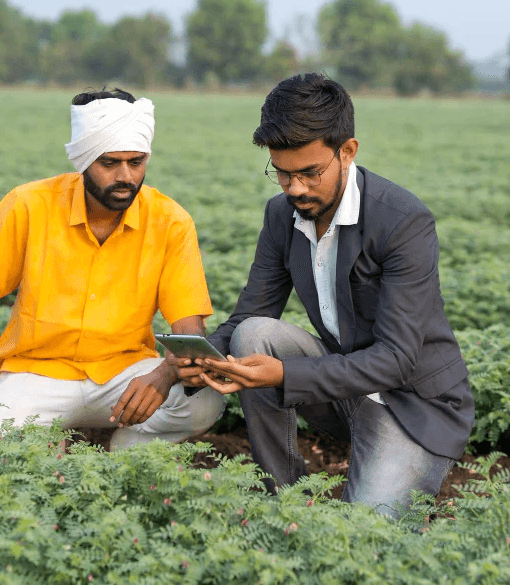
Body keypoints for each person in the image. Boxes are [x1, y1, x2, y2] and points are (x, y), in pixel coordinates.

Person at [176, 73, 473, 518]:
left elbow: (395, 359)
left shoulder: (402, 221)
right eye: (282, 173)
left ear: (347, 152)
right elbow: (248, 317)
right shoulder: (282, 215)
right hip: (343, 389)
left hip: (412, 402)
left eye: (309, 173)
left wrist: (282, 375)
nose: (294, 188)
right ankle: (286, 499)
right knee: (254, 333)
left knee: (360, 540)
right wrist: (199, 359)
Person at [0, 88, 225, 448]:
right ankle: (48, 447)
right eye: (109, 163)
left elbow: (190, 328)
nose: (126, 176)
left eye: (136, 161)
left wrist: (163, 375)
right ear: (83, 161)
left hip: (124, 375)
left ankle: (130, 456)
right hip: (37, 376)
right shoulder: (30, 205)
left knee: (204, 402)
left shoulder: (170, 221)